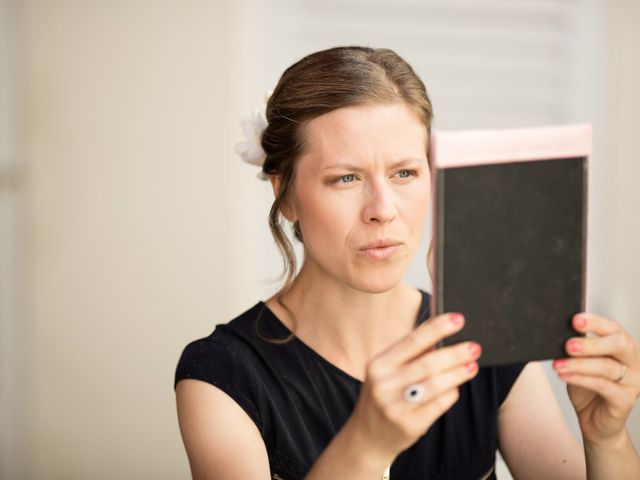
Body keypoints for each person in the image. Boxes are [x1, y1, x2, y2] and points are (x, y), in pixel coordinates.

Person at [174, 46, 640, 479]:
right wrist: (366, 443)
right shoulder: (221, 376)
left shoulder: (484, 339)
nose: (383, 208)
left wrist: (607, 438)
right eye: (346, 178)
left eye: (404, 173)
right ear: (285, 193)